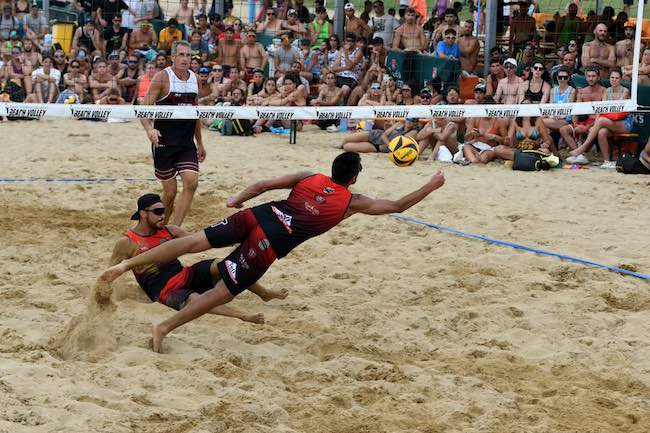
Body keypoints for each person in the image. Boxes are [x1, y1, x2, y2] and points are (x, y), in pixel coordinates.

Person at [100, 152, 446, 352]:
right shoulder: (351, 202)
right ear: (353, 178)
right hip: (267, 244)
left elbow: (263, 185)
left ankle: (126, 264)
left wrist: (239, 200)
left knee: (194, 241)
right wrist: (431, 184)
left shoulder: (309, 176)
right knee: (222, 291)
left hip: (257, 214)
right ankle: (164, 328)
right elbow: (398, 205)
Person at [103, 193, 289, 327]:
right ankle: (243, 316)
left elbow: (200, 240)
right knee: (195, 300)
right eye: (158, 212)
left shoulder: (170, 230)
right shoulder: (126, 242)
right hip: (162, 289)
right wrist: (104, 296)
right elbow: (110, 272)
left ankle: (264, 293)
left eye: (164, 211)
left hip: (183, 274)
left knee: (226, 265)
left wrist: (236, 241)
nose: (162, 215)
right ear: (143, 214)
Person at [140, 40, 206, 227]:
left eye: (188, 55)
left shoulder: (195, 79)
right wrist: (150, 130)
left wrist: (200, 142)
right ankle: (159, 226)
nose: (186, 59)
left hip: (186, 143)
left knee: (191, 183)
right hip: (164, 142)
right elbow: (143, 110)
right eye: (182, 55)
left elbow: (196, 114)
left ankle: (173, 230)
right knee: (170, 193)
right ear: (173, 57)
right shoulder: (162, 78)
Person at [566, 67, 631, 168]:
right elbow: (602, 109)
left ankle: (582, 149)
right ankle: (606, 161)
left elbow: (618, 111)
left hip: (623, 123)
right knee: (601, 132)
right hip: (610, 121)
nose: (614, 80)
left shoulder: (625, 91)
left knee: (600, 120)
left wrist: (597, 121)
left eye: (617, 78)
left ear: (621, 79)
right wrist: (595, 124)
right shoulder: (607, 91)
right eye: (612, 78)